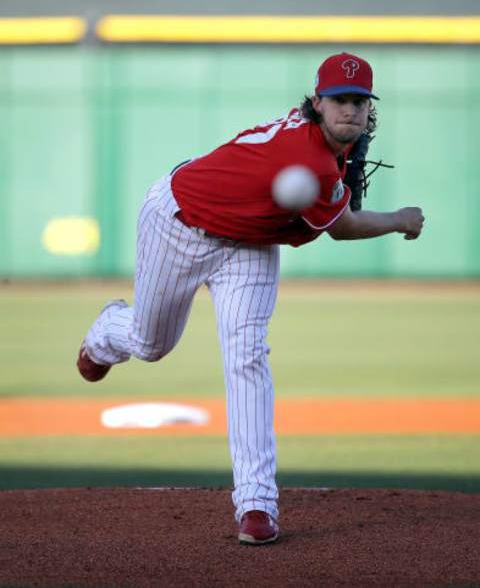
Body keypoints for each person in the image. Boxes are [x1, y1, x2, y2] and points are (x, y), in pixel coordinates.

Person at [77, 52, 424, 545]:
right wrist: (401, 219)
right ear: (318, 103)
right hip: (179, 223)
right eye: (340, 100)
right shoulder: (306, 157)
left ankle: (257, 503)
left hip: (252, 244)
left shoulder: (331, 149)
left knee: (247, 357)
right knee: (150, 343)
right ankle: (107, 332)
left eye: (360, 102)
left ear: (370, 109)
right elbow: (342, 229)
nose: (351, 110)